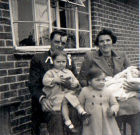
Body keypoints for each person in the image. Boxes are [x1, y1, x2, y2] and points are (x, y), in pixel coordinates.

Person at [78, 28, 140, 135]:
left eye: (108, 40)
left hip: (122, 94)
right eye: (101, 41)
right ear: (98, 44)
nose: (105, 43)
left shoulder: (121, 55)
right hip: (102, 96)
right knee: (110, 114)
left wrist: (135, 86)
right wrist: (95, 87)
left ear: (112, 41)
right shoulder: (90, 56)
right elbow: (82, 79)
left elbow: (131, 72)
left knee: (137, 108)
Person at [29, 30, 78, 135]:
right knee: (55, 115)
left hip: (66, 99)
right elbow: (34, 84)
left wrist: (74, 85)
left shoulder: (68, 60)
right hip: (49, 99)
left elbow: (75, 79)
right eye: (57, 42)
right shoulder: (39, 59)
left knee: (77, 112)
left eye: (63, 43)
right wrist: (42, 99)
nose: (60, 45)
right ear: (50, 41)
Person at [42, 50, 89, 133]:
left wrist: (75, 84)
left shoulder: (68, 72)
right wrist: (54, 80)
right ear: (53, 62)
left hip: (68, 96)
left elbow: (75, 81)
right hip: (56, 96)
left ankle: (81, 112)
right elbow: (45, 81)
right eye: (58, 62)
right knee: (60, 107)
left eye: (63, 62)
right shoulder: (51, 72)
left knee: (71, 97)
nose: (61, 64)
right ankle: (68, 122)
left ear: (66, 62)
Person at [78, 69, 121, 135]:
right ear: (89, 82)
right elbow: (80, 104)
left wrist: (113, 110)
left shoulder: (107, 91)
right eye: (98, 80)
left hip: (107, 119)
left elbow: (115, 104)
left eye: (103, 80)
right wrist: (83, 115)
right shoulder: (85, 91)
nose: (101, 82)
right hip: (91, 120)